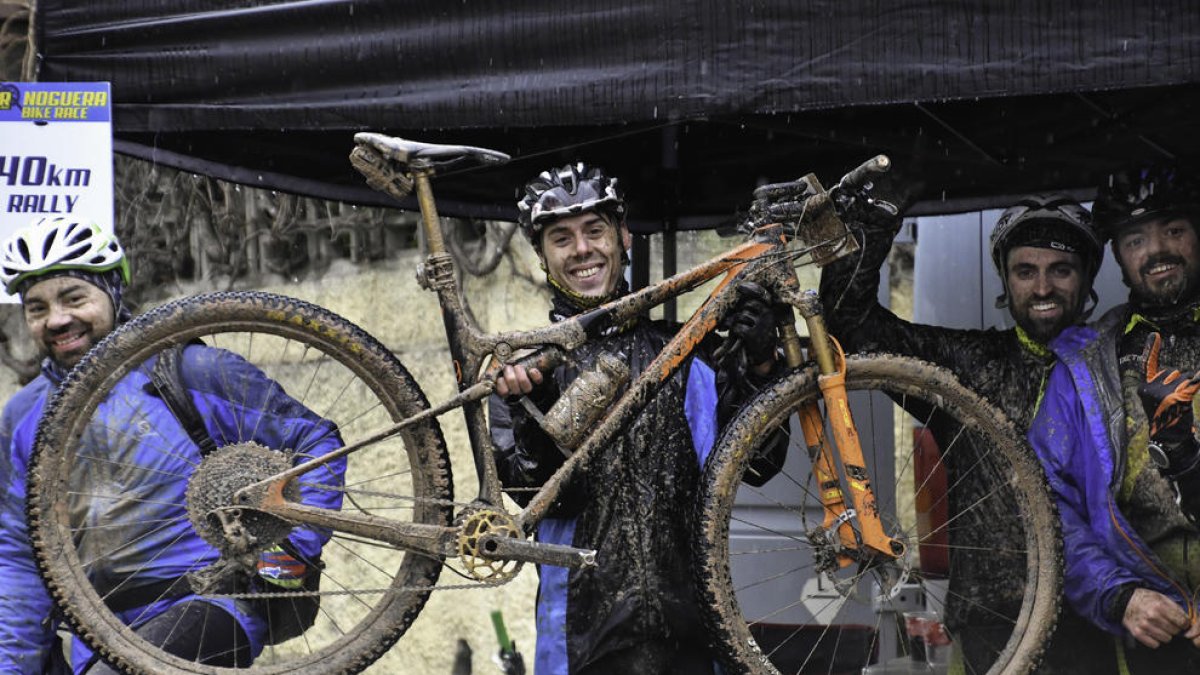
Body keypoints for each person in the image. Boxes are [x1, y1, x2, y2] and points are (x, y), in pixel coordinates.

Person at [0, 216, 345, 673]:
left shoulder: (190, 371)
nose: (58, 319)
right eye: (37, 307)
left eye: (74, 297)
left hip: (217, 600)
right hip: (95, 628)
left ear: (112, 293)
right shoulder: (23, 417)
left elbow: (316, 443)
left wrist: (289, 549)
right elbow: (19, 553)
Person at [488, 163, 784, 674]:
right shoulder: (525, 374)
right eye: (561, 238)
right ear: (542, 256)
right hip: (582, 643)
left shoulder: (688, 352)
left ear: (623, 237)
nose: (581, 249)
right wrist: (527, 415)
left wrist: (760, 366)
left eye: (594, 230)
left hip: (696, 632)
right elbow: (524, 498)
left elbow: (758, 465)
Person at [819, 191, 1113, 673]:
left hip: (1097, 616)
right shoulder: (968, 365)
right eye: (1026, 271)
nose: (1043, 287)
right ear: (1005, 282)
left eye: (1061, 270)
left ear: (1085, 281)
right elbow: (852, 329)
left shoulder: (1116, 364)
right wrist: (876, 221)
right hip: (994, 621)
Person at [1029, 163, 1200, 672]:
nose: (1157, 251)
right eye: (1135, 239)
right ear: (1119, 259)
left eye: (1173, 230)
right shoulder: (1083, 364)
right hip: (1152, 618)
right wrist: (1120, 595)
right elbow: (1046, 500)